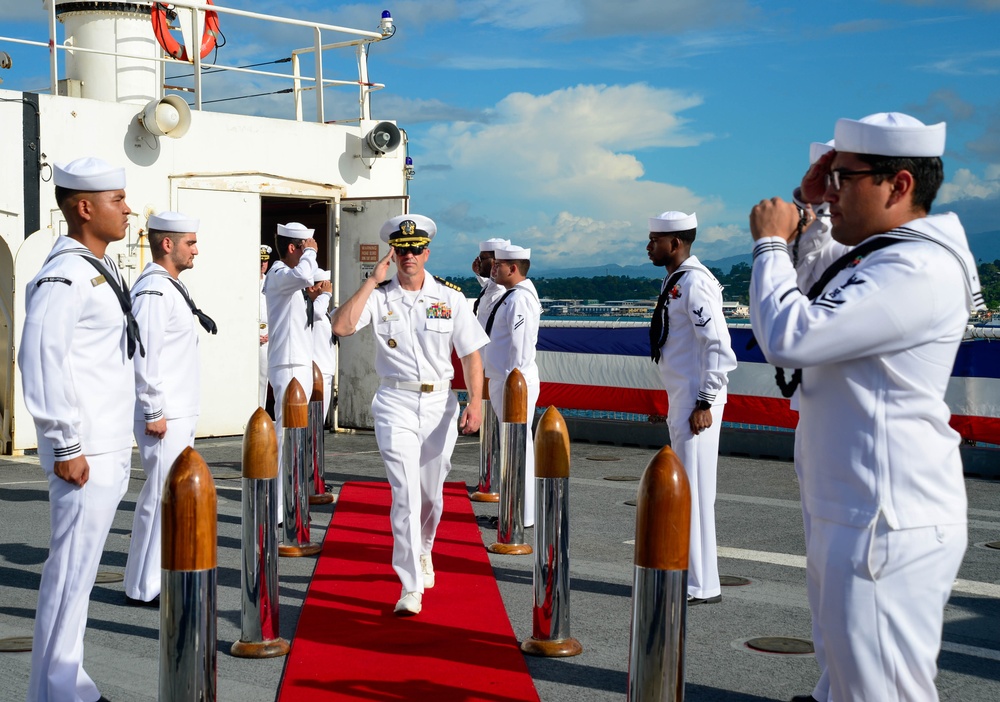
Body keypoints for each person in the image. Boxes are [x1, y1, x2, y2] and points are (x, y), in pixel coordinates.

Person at [749, 112, 981, 702]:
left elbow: (792, 334)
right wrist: (813, 212)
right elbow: (813, 288)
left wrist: (770, 243)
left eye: (844, 178)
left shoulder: (915, 266)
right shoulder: (879, 256)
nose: (832, 191)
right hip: (851, 506)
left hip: (884, 517)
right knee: (847, 683)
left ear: (898, 185)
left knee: (881, 691)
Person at [19, 156, 135, 702]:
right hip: (83, 447)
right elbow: (40, 356)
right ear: (84, 208)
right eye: (118, 200)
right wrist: (64, 442)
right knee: (67, 577)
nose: (128, 209)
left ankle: (68, 686)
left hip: (107, 441)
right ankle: (57, 693)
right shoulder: (64, 273)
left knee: (80, 578)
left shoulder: (99, 266)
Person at [332, 214, 488, 616]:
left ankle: (424, 550)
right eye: (402, 250)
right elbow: (342, 327)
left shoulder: (450, 298)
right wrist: (370, 280)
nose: (409, 256)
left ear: (427, 252)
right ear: (393, 254)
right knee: (405, 494)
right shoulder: (380, 296)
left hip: (439, 405)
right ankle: (409, 586)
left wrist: (476, 402)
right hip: (395, 403)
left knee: (432, 496)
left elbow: (471, 353)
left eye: (416, 249)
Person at [124, 210, 214, 607]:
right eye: (190, 243)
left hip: (177, 410)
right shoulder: (154, 292)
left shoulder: (168, 286)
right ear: (167, 244)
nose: (196, 250)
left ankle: (152, 579)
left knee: (168, 495)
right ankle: (144, 587)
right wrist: (152, 410)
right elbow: (145, 356)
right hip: (165, 414)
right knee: (160, 496)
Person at [647, 210, 737, 606]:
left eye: (654, 240)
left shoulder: (695, 283)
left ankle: (700, 584)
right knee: (690, 488)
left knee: (695, 490)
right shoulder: (677, 281)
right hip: (684, 397)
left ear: (676, 243)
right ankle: (694, 577)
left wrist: (705, 401)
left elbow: (717, 344)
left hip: (696, 401)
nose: (649, 246)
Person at [482, 243, 541, 528]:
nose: (493, 269)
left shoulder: (519, 299)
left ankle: (521, 513)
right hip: (504, 379)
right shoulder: (512, 295)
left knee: (516, 448)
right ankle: (517, 509)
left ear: (513, 269)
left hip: (512, 382)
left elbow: (519, 348)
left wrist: (512, 382)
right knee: (513, 447)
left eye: (498, 266)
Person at [264, 222, 319, 512]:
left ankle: (290, 498)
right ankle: (276, 508)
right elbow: (304, 273)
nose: (310, 252)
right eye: (305, 247)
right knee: (285, 434)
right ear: (291, 248)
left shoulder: (289, 279)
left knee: (295, 434)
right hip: (288, 364)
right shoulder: (279, 273)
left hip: (297, 361)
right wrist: (310, 253)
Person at [309, 269, 337, 422]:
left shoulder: (322, 311)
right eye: (323, 285)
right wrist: (326, 295)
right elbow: (317, 311)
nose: (327, 288)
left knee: (319, 419)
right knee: (315, 419)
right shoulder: (311, 308)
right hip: (317, 372)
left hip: (325, 370)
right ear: (312, 288)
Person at [472, 237, 510, 328]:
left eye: (482, 259)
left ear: (495, 261)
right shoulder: (492, 287)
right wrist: (478, 273)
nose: (478, 262)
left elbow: (493, 287)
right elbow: (488, 285)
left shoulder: (501, 289)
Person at [259, 244, 272, 409]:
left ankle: (261, 411)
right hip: (251, 334)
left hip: (268, 334)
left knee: (264, 378)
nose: (262, 265)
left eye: (265, 261)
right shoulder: (247, 281)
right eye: (260, 261)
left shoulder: (271, 280)